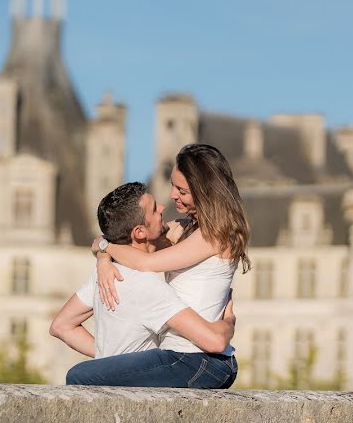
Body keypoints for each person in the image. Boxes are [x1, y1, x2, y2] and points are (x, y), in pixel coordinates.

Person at [81, 143, 251, 386]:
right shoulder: (185, 229)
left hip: (196, 358)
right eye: (173, 185)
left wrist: (106, 250)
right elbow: (120, 237)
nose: (172, 195)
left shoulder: (215, 235)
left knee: (81, 375)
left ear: (204, 192)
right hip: (188, 355)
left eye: (181, 190)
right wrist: (103, 258)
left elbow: (145, 262)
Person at [51, 181, 238, 388]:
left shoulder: (105, 274)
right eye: (155, 209)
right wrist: (229, 320)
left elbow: (60, 326)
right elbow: (213, 341)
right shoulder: (148, 284)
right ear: (140, 232)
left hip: (117, 382)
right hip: (134, 386)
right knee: (78, 374)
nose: (163, 208)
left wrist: (109, 356)